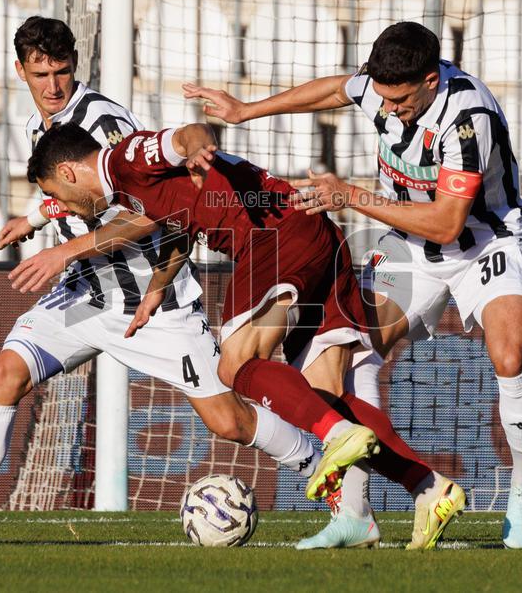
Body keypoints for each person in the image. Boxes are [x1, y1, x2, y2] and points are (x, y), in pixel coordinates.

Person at [0, 17, 324, 543]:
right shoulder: (40, 127)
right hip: (85, 296)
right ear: (20, 72)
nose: (53, 86)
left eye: (61, 72)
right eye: (41, 74)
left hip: (152, 302)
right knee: (4, 372)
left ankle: (323, 468)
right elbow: (74, 191)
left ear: (75, 67)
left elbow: (157, 211)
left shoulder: (104, 123)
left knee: (229, 422)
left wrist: (62, 250)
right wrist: (34, 219)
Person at [24, 120, 468, 551]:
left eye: (53, 194)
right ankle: (425, 489)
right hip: (315, 234)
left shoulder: (124, 159)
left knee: (234, 366)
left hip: (272, 237)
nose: (59, 203)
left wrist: (198, 146)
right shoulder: (132, 189)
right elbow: (180, 223)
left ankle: (335, 437)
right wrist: (155, 292)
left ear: (66, 173)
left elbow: (187, 134)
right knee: (323, 392)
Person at [185, 21, 522, 549]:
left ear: (429, 80)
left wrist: (350, 196)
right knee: (350, 355)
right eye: (382, 97)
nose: (389, 109)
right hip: (405, 245)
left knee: (509, 357)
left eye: (400, 100)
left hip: (484, 243)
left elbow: (446, 222)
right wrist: (245, 111)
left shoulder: (468, 119)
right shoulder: (382, 88)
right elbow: (334, 88)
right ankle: (357, 514)